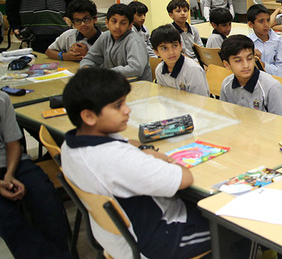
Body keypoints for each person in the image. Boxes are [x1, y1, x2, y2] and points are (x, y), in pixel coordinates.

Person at [60, 68, 211, 259]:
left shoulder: (70, 145)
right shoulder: (117, 159)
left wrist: (143, 150)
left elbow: (128, 143)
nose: (127, 110)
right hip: (158, 239)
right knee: (230, 226)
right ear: (89, 116)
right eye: (118, 106)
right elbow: (185, 178)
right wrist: (162, 158)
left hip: (116, 237)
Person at [0, 91, 71, 259]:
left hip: (11, 163)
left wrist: (9, 175)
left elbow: (13, 144)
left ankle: (62, 253)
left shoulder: (2, 99)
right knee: (7, 218)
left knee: (45, 197)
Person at [80, 3, 152, 81]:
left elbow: (136, 69)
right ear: (107, 23)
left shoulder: (134, 40)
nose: (117, 26)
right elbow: (90, 58)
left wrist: (105, 72)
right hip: (112, 82)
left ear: (130, 26)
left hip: (136, 85)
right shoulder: (105, 36)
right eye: (114, 21)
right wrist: (86, 68)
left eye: (123, 23)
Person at [219, 34, 282, 116]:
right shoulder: (226, 84)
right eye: (238, 60)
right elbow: (225, 116)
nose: (246, 65)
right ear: (227, 65)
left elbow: (280, 121)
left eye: (249, 58)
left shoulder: (271, 87)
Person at [151, 25, 210, 97]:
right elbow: (164, 97)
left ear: (181, 46)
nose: (171, 52)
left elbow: (202, 100)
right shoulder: (159, 70)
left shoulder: (193, 70)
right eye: (164, 48)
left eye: (175, 46)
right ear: (156, 52)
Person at [247, 4, 282, 78]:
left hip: (276, 78)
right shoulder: (247, 43)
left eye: (268, 20)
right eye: (261, 21)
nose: (266, 25)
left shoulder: (279, 41)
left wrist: (263, 65)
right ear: (251, 24)